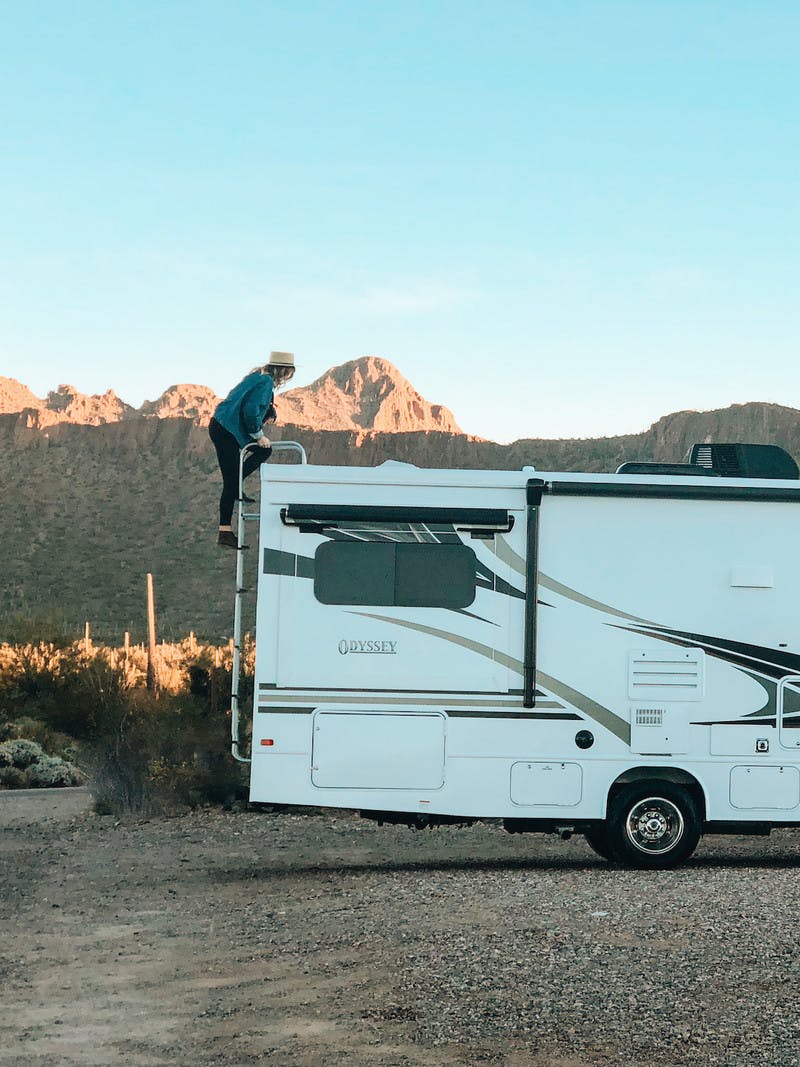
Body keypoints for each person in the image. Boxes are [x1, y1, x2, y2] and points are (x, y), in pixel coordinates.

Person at [209, 351, 296, 548]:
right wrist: (259, 435)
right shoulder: (265, 383)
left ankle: (228, 521)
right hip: (226, 430)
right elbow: (250, 411)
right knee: (261, 453)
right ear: (284, 371)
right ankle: (224, 531)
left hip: (223, 426)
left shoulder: (257, 378)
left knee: (233, 478)